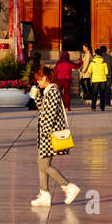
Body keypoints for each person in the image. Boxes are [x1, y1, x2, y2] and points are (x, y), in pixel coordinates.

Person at [30, 66, 80, 208]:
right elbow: (43, 110)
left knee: (44, 164)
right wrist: (37, 97)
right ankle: (44, 194)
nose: (37, 82)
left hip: (49, 134)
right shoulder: (48, 91)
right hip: (46, 133)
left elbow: (51, 113)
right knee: (41, 163)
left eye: (39, 79)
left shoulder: (53, 91)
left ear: (45, 78)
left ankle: (68, 186)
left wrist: (46, 131)